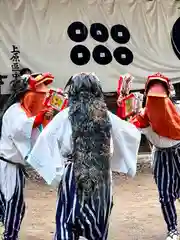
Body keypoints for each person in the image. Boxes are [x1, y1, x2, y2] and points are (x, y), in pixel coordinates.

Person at [27, 72, 141, 240]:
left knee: (68, 221)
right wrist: (132, 116)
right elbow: (129, 134)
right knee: (97, 223)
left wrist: (56, 173)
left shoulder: (66, 115)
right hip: (101, 173)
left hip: (73, 172)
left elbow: (44, 139)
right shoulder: (106, 116)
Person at [0, 72, 54, 239]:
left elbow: (39, 136)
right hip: (7, 166)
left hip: (14, 167)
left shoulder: (26, 112)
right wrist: (40, 117)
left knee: (15, 206)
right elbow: (20, 130)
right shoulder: (15, 111)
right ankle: (9, 236)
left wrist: (44, 119)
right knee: (12, 204)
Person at [130, 73, 180, 240]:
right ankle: (172, 229)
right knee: (165, 195)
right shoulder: (144, 115)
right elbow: (130, 129)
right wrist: (128, 111)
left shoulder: (178, 109)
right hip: (161, 156)